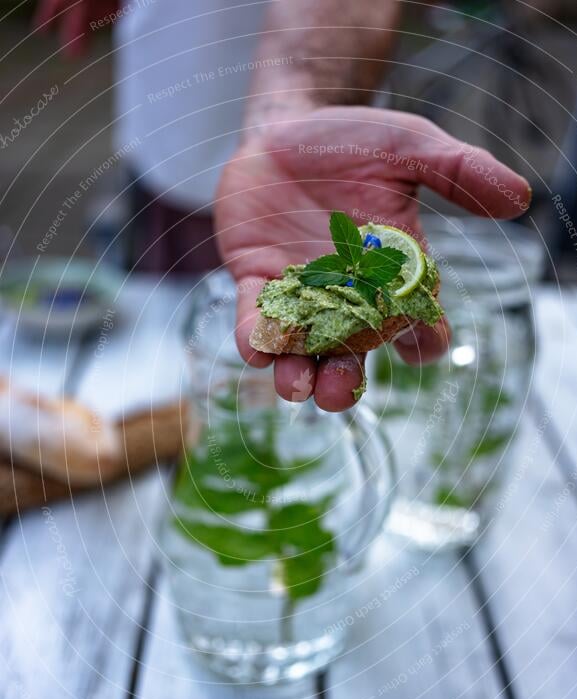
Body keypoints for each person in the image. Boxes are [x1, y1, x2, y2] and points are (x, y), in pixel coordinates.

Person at [34, 0, 531, 411]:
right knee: (172, 363)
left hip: (323, 174)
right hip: (168, 134)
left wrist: (293, 104)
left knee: (288, 404)